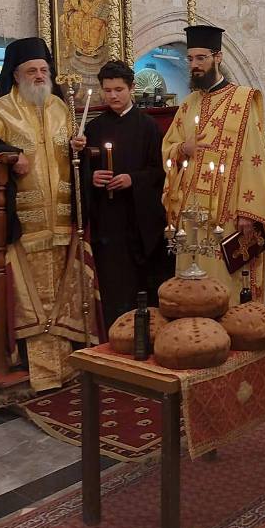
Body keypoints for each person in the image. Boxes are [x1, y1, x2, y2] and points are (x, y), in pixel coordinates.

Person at [0, 37, 100, 391]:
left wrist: (77, 146)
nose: (40, 76)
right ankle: (36, 366)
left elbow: (71, 152)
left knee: (62, 291)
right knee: (30, 296)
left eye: (44, 70)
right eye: (32, 71)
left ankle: (67, 364)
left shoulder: (61, 107)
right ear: (16, 75)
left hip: (61, 218)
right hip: (23, 223)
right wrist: (11, 153)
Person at [162, 26, 265, 304]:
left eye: (201, 58)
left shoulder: (243, 100)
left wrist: (248, 212)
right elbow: (168, 148)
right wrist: (182, 149)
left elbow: (254, 157)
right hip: (191, 211)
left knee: (224, 280)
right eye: (190, 59)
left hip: (229, 212)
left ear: (218, 57)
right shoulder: (187, 104)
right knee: (191, 285)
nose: (195, 65)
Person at [81, 60, 169, 330]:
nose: (113, 96)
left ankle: (144, 335)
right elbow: (82, 168)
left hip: (139, 223)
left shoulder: (148, 126)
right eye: (107, 90)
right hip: (107, 223)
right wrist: (91, 177)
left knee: (141, 288)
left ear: (131, 88)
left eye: (118, 90)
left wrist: (133, 179)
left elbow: (159, 171)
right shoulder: (94, 128)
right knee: (112, 286)